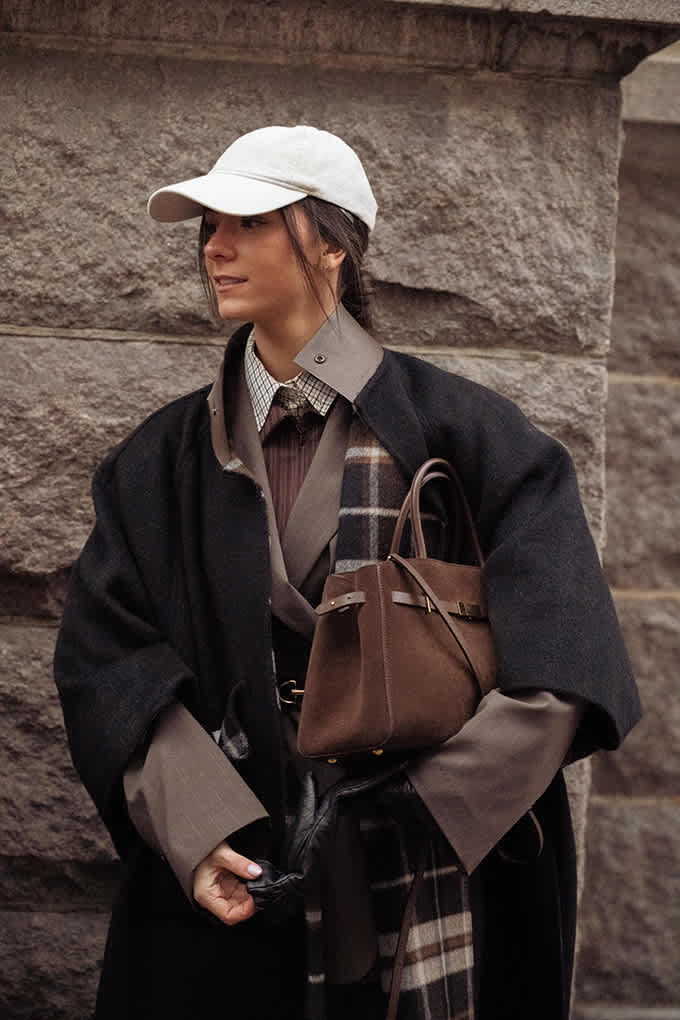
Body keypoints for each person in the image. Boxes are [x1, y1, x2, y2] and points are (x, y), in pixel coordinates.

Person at [54, 125, 640, 1020]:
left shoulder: (475, 438)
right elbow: (107, 659)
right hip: (237, 868)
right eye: (208, 224)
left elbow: (566, 657)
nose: (214, 246)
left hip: (434, 875)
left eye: (248, 221)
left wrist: (418, 811)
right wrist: (200, 829)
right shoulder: (155, 462)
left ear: (331, 242)